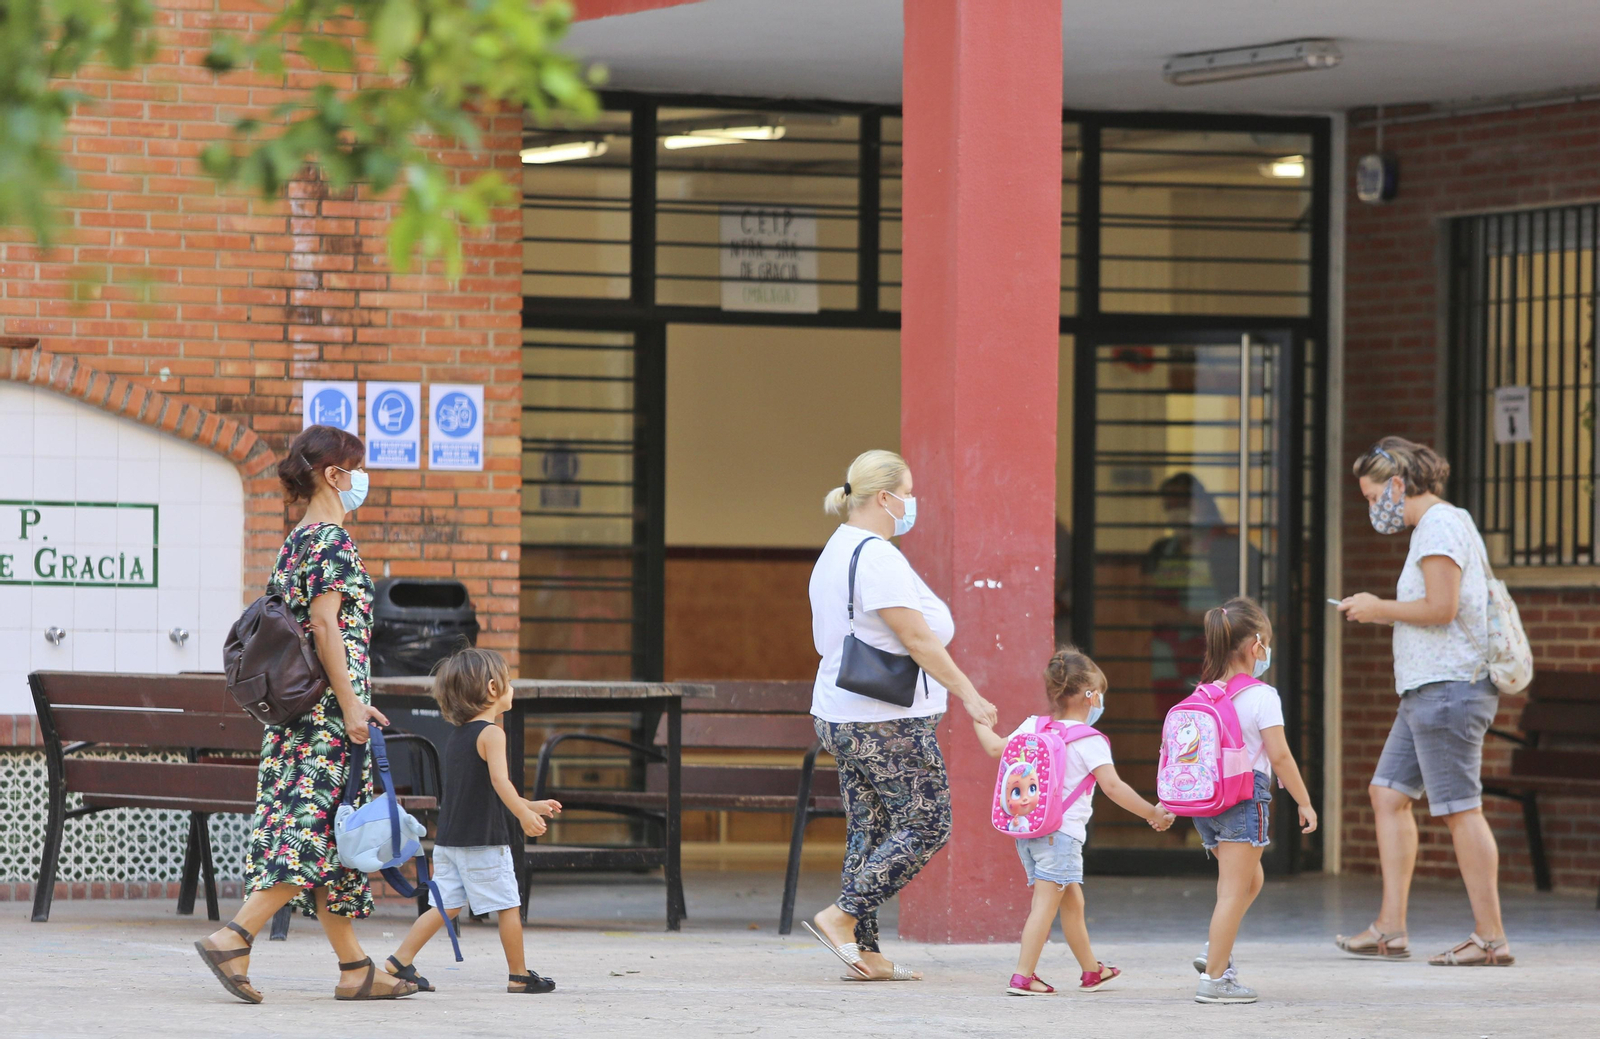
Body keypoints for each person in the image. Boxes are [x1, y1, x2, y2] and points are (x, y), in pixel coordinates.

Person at [194, 425, 417, 1003]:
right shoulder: (333, 542)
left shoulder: (297, 539)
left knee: (331, 837)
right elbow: (322, 626)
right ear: (335, 475)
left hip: (300, 714)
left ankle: (355, 969)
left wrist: (353, 697)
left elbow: (314, 633)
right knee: (313, 835)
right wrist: (349, 706)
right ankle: (235, 936)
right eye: (358, 469)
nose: (363, 480)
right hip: (323, 721)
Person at [802, 449, 999, 982]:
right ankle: (840, 917)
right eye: (908, 493)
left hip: (841, 712)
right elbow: (915, 637)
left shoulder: (838, 549)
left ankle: (863, 954)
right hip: (884, 719)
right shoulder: (877, 556)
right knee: (927, 822)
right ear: (885, 498)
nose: (913, 503)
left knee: (871, 829)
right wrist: (970, 694)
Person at [1334, 437, 1512, 966]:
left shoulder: (1438, 527)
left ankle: (1491, 936)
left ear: (1397, 485)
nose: (1372, 509)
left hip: (1448, 689)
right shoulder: (1440, 525)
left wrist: (1377, 607)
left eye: (1371, 497)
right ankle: (1390, 928)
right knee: (1387, 793)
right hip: (1426, 690)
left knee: (1460, 810)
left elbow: (1441, 606)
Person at [972, 646, 1175, 996]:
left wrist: (978, 720)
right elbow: (1113, 787)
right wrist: (1152, 813)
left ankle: (1091, 971)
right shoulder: (1089, 740)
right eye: (1101, 695)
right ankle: (1023, 975)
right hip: (1061, 837)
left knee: (1072, 902)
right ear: (1089, 695)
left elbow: (995, 749)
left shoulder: (1033, 725)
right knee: (1046, 905)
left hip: (1030, 831)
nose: (1101, 702)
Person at [385, 648, 563, 994]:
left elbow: (485, 789)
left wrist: (530, 804)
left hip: (450, 841)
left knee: (445, 906)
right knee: (508, 903)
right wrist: (523, 814)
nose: (513, 688)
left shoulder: (458, 737)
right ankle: (519, 974)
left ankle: (399, 961)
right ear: (494, 688)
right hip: (483, 841)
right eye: (509, 682)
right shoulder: (493, 734)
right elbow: (500, 783)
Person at [1189, 597, 1317, 1005]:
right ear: (1255, 647)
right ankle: (1215, 978)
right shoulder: (1263, 695)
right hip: (1244, 800)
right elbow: (1279, 756)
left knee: (1251, 880)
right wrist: (1304, 801)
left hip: (1208, 805)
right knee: (1233, 890)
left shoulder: (1206, 693)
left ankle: (1215, 951)